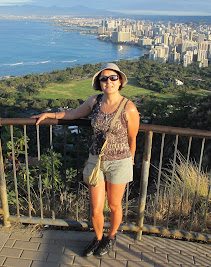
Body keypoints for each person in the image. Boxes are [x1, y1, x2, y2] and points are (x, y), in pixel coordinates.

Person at [32, 63, 140, 257]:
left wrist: (129, 161)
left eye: (113, 77)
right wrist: (49, 114)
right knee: (96, 207)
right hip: (95, 160)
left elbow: (132, 138)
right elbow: (73, 114)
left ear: (120, 81)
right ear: (99, 83)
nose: (109, 81)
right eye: (104, 78)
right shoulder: (95, 102)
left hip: (119, 162)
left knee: (115, 205)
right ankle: (98, 238)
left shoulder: (129, 108)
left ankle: (112, 236)